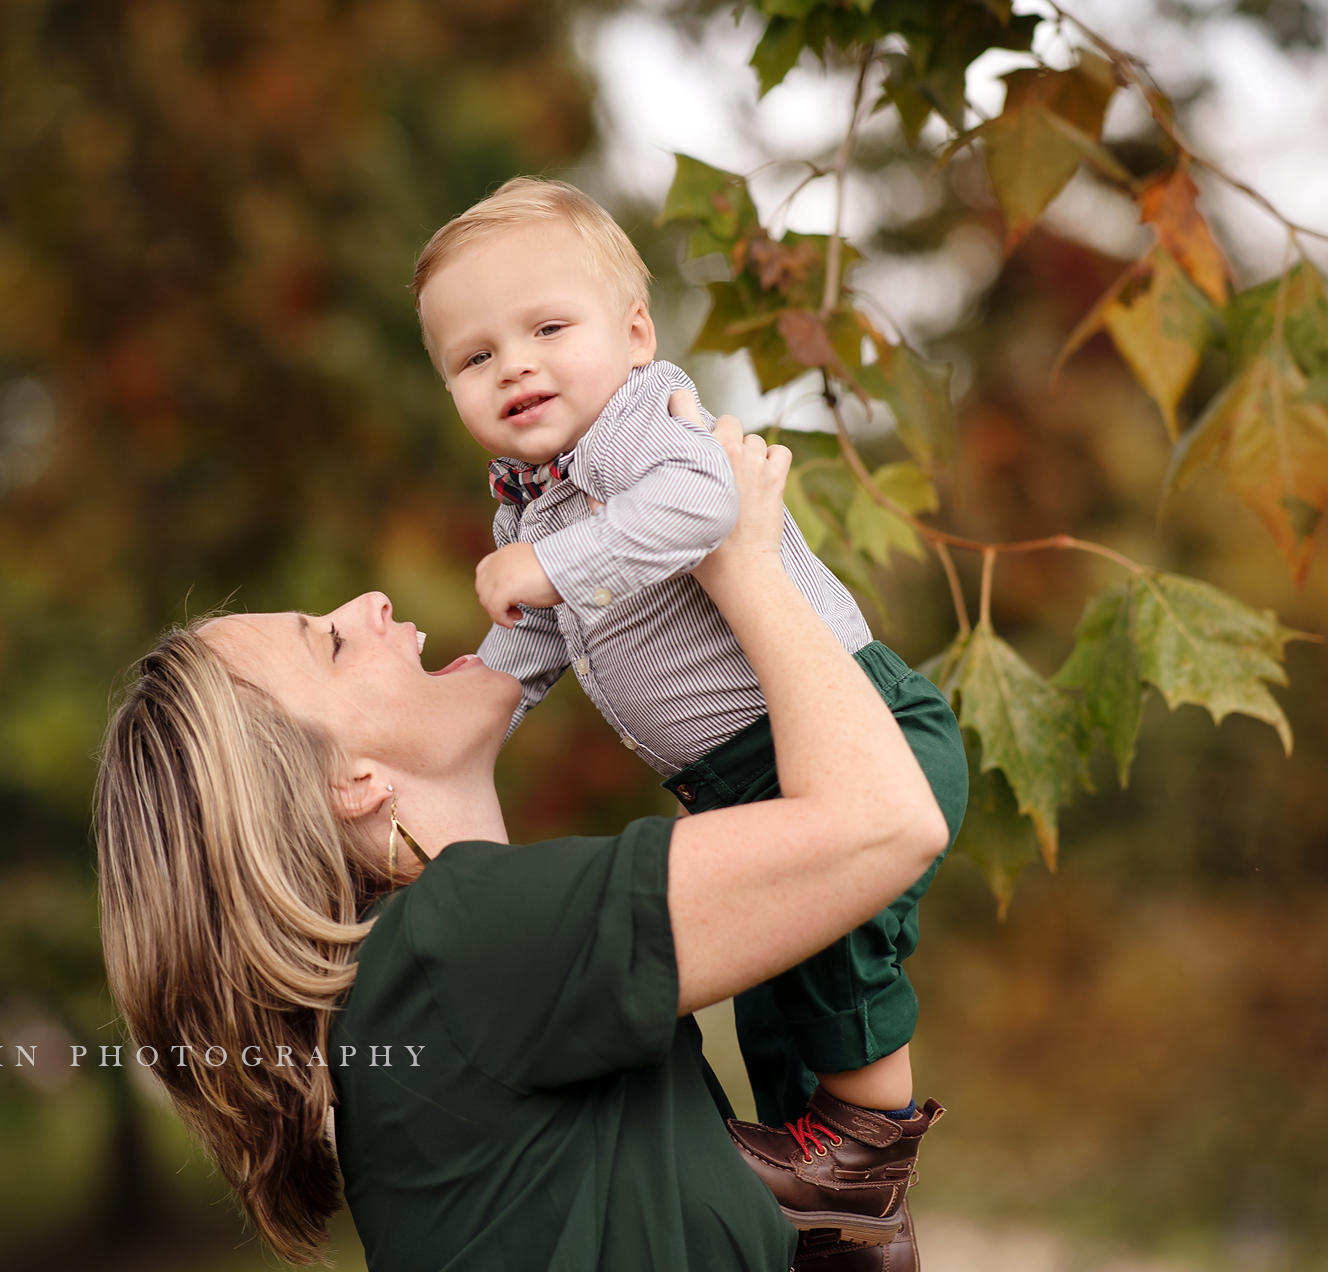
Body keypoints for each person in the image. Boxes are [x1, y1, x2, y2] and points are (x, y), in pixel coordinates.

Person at [93, 417, 958, 1270]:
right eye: (330, 642)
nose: (370, 603)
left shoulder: (445, 989)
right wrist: (745, 562)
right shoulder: (459, 945)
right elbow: (889, 820)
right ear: (349, 783)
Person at [409, 178, 970, 1245]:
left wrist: (550, 561)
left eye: (546, 328)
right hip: (732, 774)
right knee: (769, 994)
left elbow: (703, 504)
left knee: (828, 934)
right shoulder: (529, 501)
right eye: (473, 357)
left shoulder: (637, 425)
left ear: (632, 333)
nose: (512, 365)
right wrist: (474, 688)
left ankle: (868, 1149)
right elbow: (535, 640)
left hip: (855, 729)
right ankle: (829, 1193)